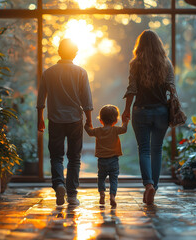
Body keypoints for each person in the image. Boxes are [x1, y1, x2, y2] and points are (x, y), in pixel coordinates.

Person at [122, 30, 177, 205]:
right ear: (158, 44)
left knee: (144, 150)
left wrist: (126, 110)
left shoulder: (135, 63)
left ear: (141, 45)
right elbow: (172, 88)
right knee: (157, 150)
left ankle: (148, 185)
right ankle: (155, 186)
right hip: (161, 111)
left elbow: (132, 89)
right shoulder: (166, 63)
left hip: (141, 111)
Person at [37, 39, 93, 206]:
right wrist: (89, 121)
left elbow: (41, 99)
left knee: (56, 156)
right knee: (74, 158)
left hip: (55, 119)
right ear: (74, 53)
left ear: (59, 52)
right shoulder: (81, 72)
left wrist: (40, 118)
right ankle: (72, 195)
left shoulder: (48, 72)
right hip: (75, 119)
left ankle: (59, 184)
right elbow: (87, 100)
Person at [85, 105, 128, 207]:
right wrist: (125, 121)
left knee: (101, 178)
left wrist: (87, 124)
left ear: (101, 120)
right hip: (113, 160)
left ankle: (102, 194)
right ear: (115, 120)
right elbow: (124, 129)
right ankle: (112, 196)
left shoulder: (98, 131)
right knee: (114, 179)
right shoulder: (116, 130)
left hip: (102, 161)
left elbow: (89, 131)